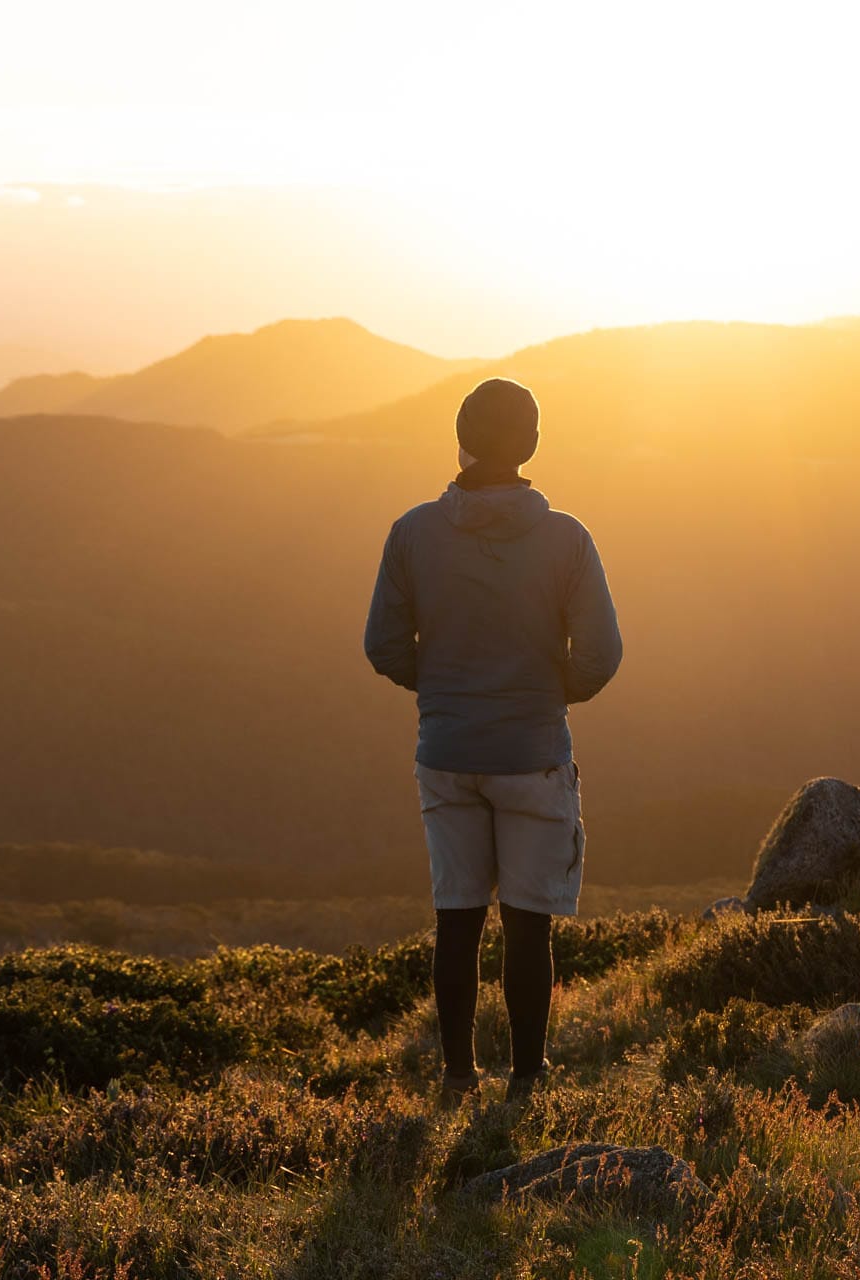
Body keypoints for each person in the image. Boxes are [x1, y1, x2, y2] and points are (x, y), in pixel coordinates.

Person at [363, 377, 621, 1105]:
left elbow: (383, 645)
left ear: (461, 442)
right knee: (528, 927)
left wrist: (446, 690)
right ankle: (527, 1083)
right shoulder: (567, 539)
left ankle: (456, 1078)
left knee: (458, 919)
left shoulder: (413, 532)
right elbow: (601, 656)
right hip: (533, 754)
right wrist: (547, 693)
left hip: (447, 754)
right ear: (531, 444)